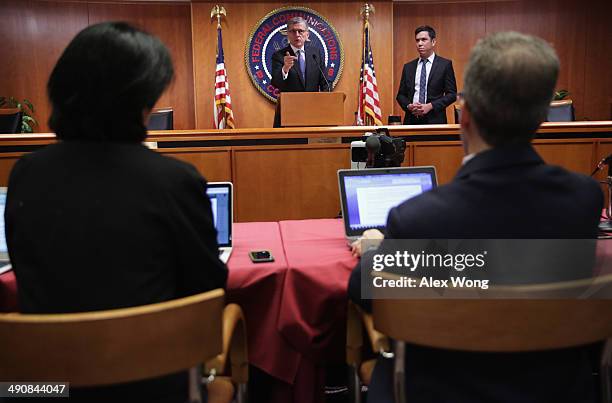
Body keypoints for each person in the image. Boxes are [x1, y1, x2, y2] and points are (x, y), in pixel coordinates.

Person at [349, 31, 603, 402]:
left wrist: (376, 248)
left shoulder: (418, 218)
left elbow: (363, 291)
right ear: (542, 118)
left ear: (463, 116)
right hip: (556, 389)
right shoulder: (583, 199)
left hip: (442, 390)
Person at [5, 22, 227, 403]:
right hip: (154, 387)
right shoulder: (175, 180)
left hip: (42, 390)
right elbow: (207, 290)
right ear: (140, 101)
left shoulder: (25, 174)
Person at [271, 16, 330, 127]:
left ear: (307, 34)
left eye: (300, 31)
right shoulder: (279, 55)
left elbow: (325, 82)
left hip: (314, 112)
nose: (297, 34)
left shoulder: (315, 53)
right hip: (288, 113)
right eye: (293, 31)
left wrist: (325, 102)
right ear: (288, 35)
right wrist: (285, 69)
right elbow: (275, 82)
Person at [396, 25, 457, 125]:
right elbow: (401, 95)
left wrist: (430, 106)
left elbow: (452, 94)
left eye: (424, 40)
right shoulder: (408, 67)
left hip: (435, 121)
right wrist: (409, 106)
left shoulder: (444, 65)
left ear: (433, 42)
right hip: (411, 121)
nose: (420, 44)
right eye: (417, 40)